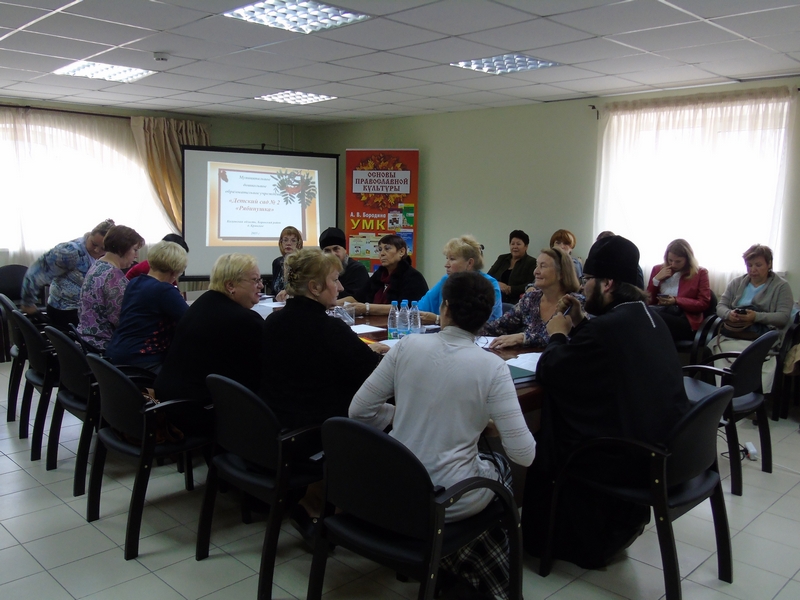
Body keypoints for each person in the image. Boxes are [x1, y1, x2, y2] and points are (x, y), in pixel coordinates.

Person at [350, 271, 536, 599]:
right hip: (444, 500)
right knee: (501, 472)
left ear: (445, 308)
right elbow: (524, 454)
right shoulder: (492, 368)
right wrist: (479, 423)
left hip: (394, 489)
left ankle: (448, 564)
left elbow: (359, 411)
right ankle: (480, 575)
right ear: (486, 318)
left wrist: (405, 414)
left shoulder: (406, 346)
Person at [521, 235, 691, 569]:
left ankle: (543, 539)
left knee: (543, 438)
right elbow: (610, 354)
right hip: (663, 450)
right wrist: (580, 322)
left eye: (588, 280)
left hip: (622, 459)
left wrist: (558, 333)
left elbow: (552, 370)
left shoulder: (608, 330)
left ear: (608, 283)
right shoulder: (648, 318)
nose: (583, 288)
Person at [260, 248, 387, 430]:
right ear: (315, 287)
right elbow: (373, 373)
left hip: (278, 421)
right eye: (335, 280)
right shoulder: (330, 328)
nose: (340, 287)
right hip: (323, 427)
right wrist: (373, 353)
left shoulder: (272, 321)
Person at [155, 253, 265, 404]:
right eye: (255, 280)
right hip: (198, 407)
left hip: (171, 399)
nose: (261, 285)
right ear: (230, 286)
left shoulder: (203, 303)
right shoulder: (244, 320)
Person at [714, 244, 793, 393]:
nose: (753, 270)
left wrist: (756, 316)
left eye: (758, 265)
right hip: (735, 333)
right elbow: (720, 306)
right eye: (749, 265)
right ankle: (725, 394)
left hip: (762, 335)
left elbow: (783, 317)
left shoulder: (781, 286)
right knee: (722, 350)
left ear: (769, 264)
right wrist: (729, 314)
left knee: (749, 354)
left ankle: (749, 397)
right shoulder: (736, 283)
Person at [105, 241, 189, 372]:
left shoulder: (134, 282)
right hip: (142, 359)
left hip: (116, 353)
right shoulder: (164, 290)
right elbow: (190, 320)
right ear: (174, 271)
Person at [20, 218, 115, 328]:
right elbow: (36, 272)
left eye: (103, 248)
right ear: (89, 235)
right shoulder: (70, 251)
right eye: (94, 244)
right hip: (66, 312)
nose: (97, 250)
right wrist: (28, 303)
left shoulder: (106, 256)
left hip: (85, 310)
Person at [483, 247, 583, 349]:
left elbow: (564, 338)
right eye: (536, 266)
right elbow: (499, 326)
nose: (535, 271)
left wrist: (523, 338)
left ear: (561, 273)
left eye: (543, 266)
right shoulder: (531, 299)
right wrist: (474, 328)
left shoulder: (575, 303)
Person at [77, 225, 144, 351]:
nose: (136, 256)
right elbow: (122, 319)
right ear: (123, 249)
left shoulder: (97, 264)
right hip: (103, 344)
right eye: (134, 250)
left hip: (86, 339)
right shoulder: (113, 275)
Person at [416, 234, 503, 324]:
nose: (446, 265)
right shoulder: (446, 280)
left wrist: (438, 319)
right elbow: (419, 308)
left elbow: (477, 324)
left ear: (469, 263)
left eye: (452, 259)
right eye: (447, 258)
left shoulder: (489, 285)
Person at [342, 234, 428, 317]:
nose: (382, 253)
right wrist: (335, 303)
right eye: (380, 249)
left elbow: (403, 308)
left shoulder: (413, 277)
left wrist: (367, 308)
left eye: (387, 249)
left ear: (401, 252)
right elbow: (358, 297)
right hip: (375, 322)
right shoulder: (380, 274)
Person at [646, 239, 711, 341]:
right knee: (645, 315)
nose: (673, 265)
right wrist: (656, 280)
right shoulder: (658, 269)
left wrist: (676, 300)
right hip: (662, 312)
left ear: (688, 260)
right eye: (670, 260)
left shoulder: (700, 273)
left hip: (686, 319)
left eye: (678, 261)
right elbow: (649, 302)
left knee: (653, 318)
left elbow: (703, 303)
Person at [318, 226, 369, 301]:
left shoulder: (357, 270)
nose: (333, 254)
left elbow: (355, 299)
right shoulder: (320, 271)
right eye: (327, 251)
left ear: (345, 250)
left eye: (336, 249)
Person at [487, 230, 537, 305]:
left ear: (526, 246)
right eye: (512, 244)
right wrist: (497, 283)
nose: (515, 247)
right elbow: (488, 277)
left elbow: (532, 284)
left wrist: (510, 289)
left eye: (518, 244)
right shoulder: (502, 258)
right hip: (496, 299)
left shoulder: (531, 262)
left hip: (517, 302)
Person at [272, 225, 302, 298]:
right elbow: (274, 290)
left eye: (293, 240)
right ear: (281, 243)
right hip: (278, 303)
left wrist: (287, 292)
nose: (288, 243)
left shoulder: (302, 262)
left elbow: (304, 289)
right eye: (285, 240)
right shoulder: (277, 262)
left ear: (298, 244)